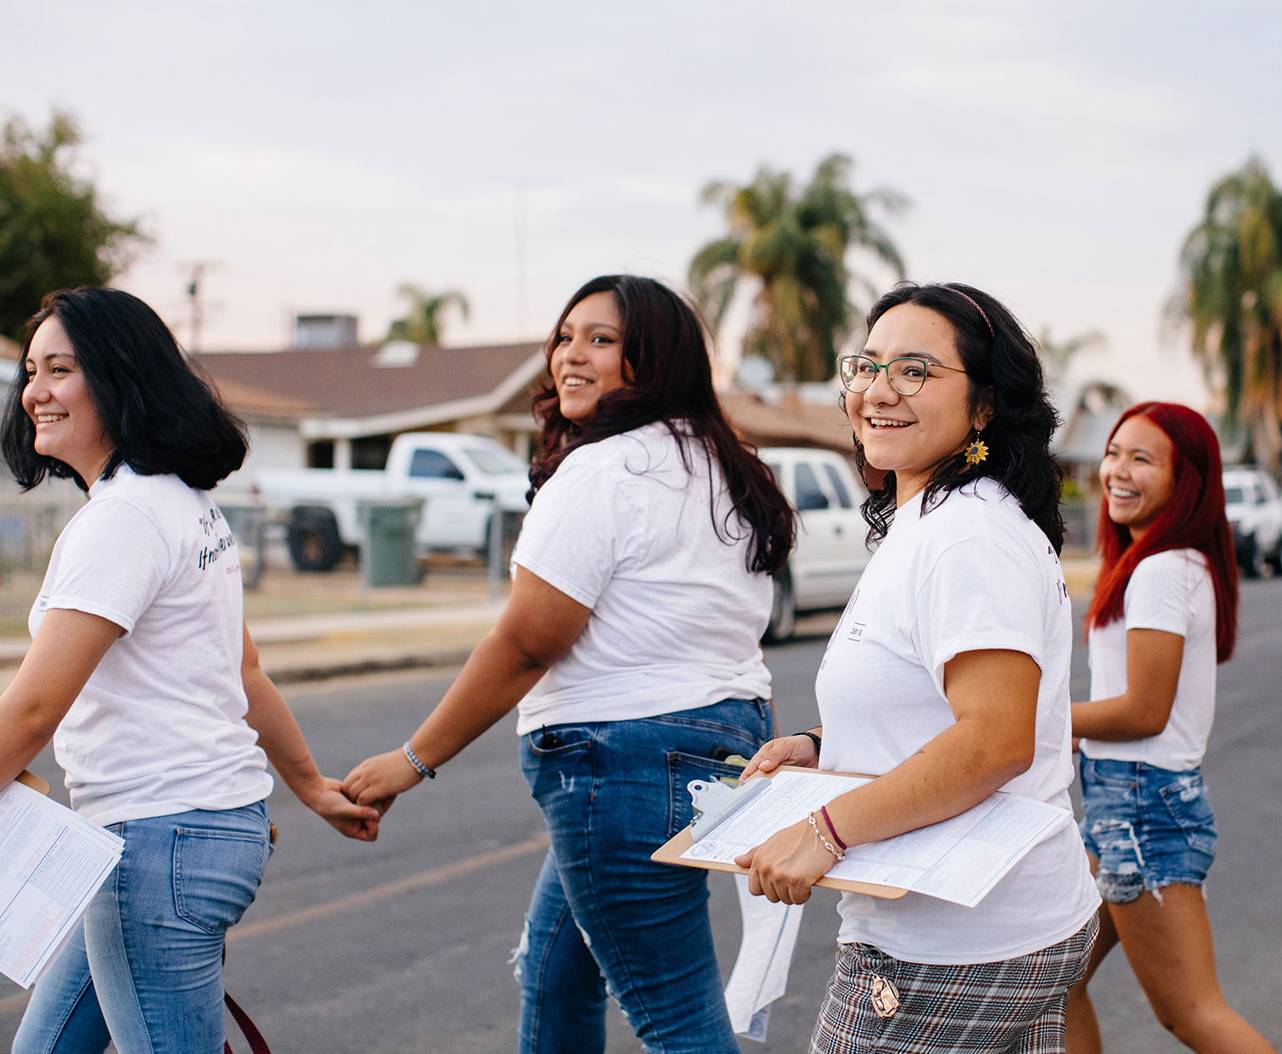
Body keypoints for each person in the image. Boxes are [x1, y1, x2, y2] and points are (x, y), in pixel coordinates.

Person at [342, 274, 794, 1054]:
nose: (570, 356)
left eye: (602, 340)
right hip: (716, 745)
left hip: (619, 762)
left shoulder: (603, 472)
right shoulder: (723, 468)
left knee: (675, 1015)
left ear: (650, 361)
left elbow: (527, 643)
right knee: (556, 972)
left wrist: (412, 760)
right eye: (566, 336)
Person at [1, 287, 381, 1054]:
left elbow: (36, 707)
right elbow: (241, 671)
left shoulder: (123, 521)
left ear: (118, 379)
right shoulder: (181, 504)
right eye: (31, 372)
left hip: (157, 847)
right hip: (171, 839)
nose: (36, 391)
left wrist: (305, 787)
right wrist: (309, 786)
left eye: (61, 370)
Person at [738, 282, 1100, 1053]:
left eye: (915, 370)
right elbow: (931, 706)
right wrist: (819, 745)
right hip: (983, 921)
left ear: (984, 408)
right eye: (867, 366)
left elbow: (994, 740)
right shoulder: (929, 523)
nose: (878, 389)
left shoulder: (968, 537)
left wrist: (825, 831)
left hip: (953, 940)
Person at [1062, 402, 1275, 1054]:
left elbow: (1143, 712)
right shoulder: (1168, 563)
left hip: (1140, 808)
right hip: (1121, 806)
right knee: (1052, 980)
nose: (1118, 471)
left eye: (1142, 459)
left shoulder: (1160, 569)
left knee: (1192, 1014)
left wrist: (1037, 721)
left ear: (1186, 481)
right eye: (1114, 453)